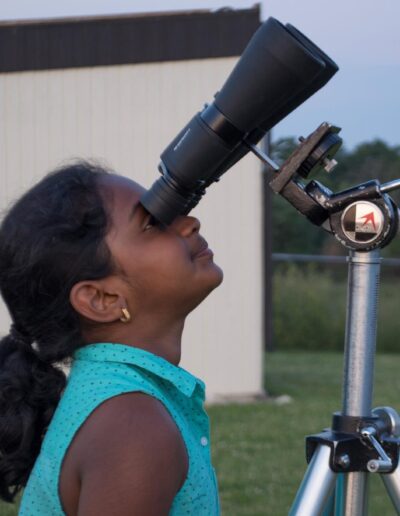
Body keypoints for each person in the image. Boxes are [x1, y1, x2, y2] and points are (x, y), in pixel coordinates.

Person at [0, 161, 223, 515]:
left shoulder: (120, 402)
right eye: (152, 223)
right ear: (102, 300)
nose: (189, 222)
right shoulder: (132, 427)